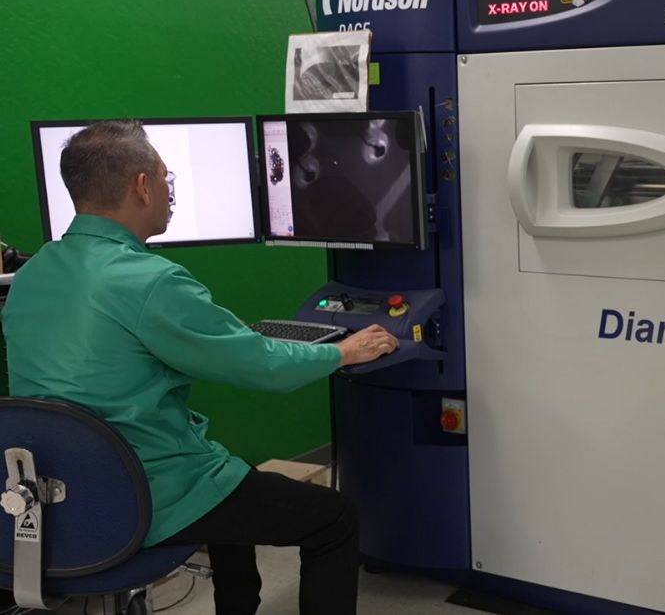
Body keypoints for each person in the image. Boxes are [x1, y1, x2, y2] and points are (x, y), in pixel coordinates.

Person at [1, 120, 399, 615]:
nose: (169, 190)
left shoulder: (32, 273)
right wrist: (344, 351)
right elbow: (264, 366)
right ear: (142, 186)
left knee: (230, 479)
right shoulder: (150, 281)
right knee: (333, 518)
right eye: (165, 178)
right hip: (144, 494)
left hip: (57, 495)